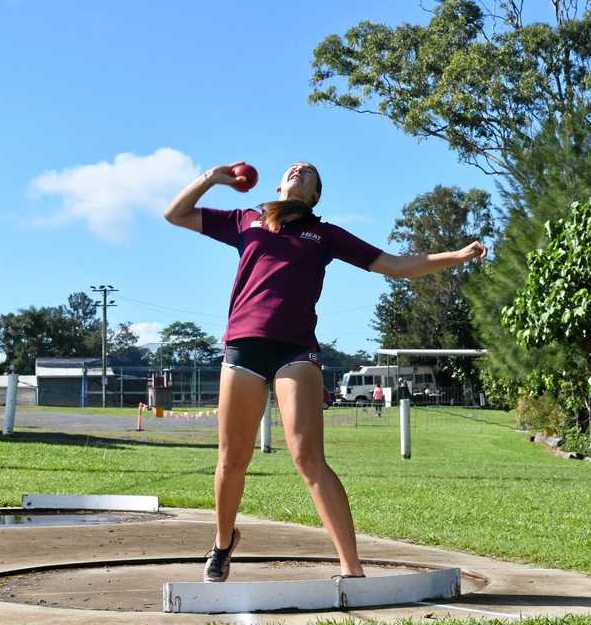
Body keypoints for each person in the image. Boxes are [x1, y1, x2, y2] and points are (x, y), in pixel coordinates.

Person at [163, 160, 487, 583]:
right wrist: (211, 179)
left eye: (310, 172)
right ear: (280, 185)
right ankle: (223, 544)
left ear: (314, 195)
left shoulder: (324, 234)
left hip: (296, 351)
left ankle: (352, 568)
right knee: (232, 459)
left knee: (309, 458)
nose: (300, 169)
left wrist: (457, 256)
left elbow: (396, 265)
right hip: (243, 346)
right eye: (294, 168)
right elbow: (175, 214)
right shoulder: (246, 220)